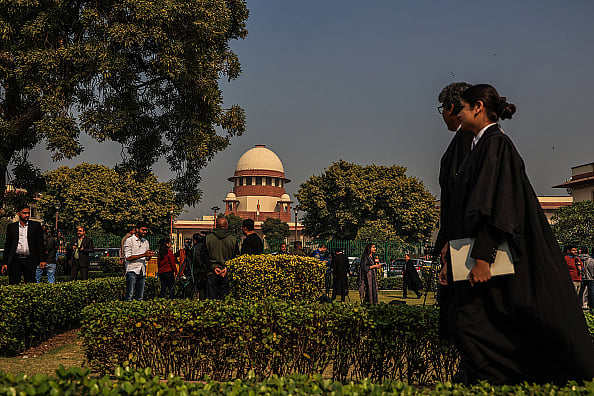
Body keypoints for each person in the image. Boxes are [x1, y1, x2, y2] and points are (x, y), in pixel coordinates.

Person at [438, 83, 594, 384]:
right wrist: (448, 248)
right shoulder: (479, 145)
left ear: (477, 108)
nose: (459, 114)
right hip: (474, 251)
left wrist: (482, 256)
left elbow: (495, 204)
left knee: (481, 323)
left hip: (491, 254)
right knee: (475, 324)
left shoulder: (496, 144)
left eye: (465, 107)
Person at [1, 205, 47, 284]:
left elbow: (40, 244)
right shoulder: (12, 227)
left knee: (31, 283)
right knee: (13, 283)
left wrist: (42, 260)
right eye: (24, 213)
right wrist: (4, 263)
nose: (27, 215)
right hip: (15, 259)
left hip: (30, 259)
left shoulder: (35, 226)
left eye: (28, 213)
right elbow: (7, 246)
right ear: (18, 214)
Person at [200, 217, 239, 299]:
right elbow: (236, 257)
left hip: (211, 273)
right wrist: (226, 268)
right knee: (224, 301)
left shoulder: (208, 238)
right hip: (226, 273)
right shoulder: (233, 239)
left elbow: (203, 255)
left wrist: (213, 267)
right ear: (227, 226)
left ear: (216, 226)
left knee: (211, 302)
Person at [123, 221, 154, 301]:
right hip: (132, 270)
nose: (144, 232)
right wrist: (144, 254)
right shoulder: (129, 240)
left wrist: (149, 256)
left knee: (140, 297)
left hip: (142, 270)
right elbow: (128, 257)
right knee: (129, 296)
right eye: (143, 230)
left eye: (146, 230)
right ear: (137, 229)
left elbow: (146, 258)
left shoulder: (146, 241)